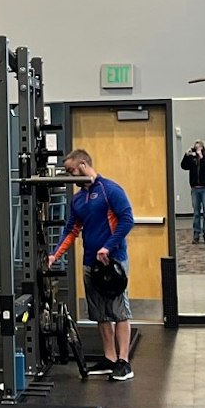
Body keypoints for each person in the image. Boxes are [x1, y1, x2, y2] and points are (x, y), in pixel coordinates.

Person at [47, 148, 136, 381]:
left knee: (119, 311)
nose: (69, 176)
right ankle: (109, 358)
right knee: (100, 313)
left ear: (84, 166)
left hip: (113, 261)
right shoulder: (77, 199)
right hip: (90, 263)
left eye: (71, 171)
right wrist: (55, 255)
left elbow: (127, 220)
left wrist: (108, 246)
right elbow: (71, 231)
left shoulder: (110, 190)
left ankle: (124, 362)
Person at [179, 139, 205, 244]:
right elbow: (183, 166)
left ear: (203, 148)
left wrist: (202, 157)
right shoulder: (192, 159)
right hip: (195, 188)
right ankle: (196, 234)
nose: (197, 149)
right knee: (196, 212)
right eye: (196, 147)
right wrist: (186, 155)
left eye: (199, 147)